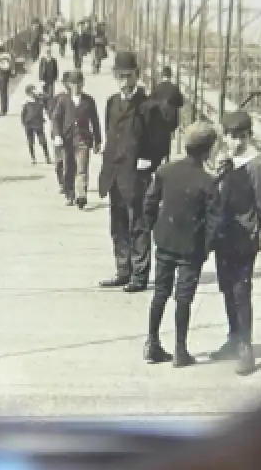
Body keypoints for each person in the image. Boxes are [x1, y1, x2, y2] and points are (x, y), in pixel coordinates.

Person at [143, 121, 220, 367]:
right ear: (208, 150)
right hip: (191, 248)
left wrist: (154, 228)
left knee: (160, 293)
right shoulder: (208, 182)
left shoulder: (165, 171)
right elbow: (214, 221)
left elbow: (149, 204)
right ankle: (180, 350)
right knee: (183, 298)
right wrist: (206, 247)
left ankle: (152, 344)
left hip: (165, 241)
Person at [210, 108, 261, 376]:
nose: (235, 142)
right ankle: (233, 336)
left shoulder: (255, 165)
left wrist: (252, 226)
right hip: (223, 235)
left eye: (241, 136)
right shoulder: (223, 161)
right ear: (223, 136)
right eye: (230, 136)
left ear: (248, 137)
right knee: (226, 287)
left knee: (241, 291)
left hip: (243, 238)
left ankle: (245, 346)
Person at [98, 50, 161, 293]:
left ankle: (139, 275)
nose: (123, 81)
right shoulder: (112, 102)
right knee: (118, 225)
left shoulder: (148, 106)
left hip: (136, 174)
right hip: (114, 174)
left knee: (139, 224)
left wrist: (149, 160)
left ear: (137, 75)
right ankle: (122, 270)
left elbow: (159, 139)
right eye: (119, 77)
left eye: (128, 76)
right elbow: (110, 135)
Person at [52, 69, 102, 209]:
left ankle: (81, 195)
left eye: (79, 84)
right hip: (67, 141)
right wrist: (57, 135)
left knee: (82, 168)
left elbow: (95, 121)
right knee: (68, 168)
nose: (77, 87)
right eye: (74, 84)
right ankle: (70, 193)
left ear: (83, 84)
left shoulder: (88, 101)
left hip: (83, 140)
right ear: (69, 85)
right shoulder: (63, 100)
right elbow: (55, 119)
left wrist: (98, 140)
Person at [149, 65, 185, 163]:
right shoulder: (175, 89)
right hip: (171, 120)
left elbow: (150, 103)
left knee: (159, 139)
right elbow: (181, 104)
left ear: (162, 76)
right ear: (170, 76)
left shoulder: (157, 88)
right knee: (168, 138)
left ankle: (158, 158)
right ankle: (167, 158)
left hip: (159, 120)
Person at [49, 71, 71, 195]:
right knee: (59, 162)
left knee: (69, 161)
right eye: (67, 83)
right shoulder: (58, 98)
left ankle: (68, 184)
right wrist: (56, 133)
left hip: (71, 136)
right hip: (58, 135)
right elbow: (52, 115)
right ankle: (61, 182)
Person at [20, 84, 51, 165]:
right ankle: (33, 158)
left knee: (43, 141)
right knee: (30, 142)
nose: (33, 94)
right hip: (29, 124)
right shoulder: (26, 102)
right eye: (32, 92)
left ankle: (47, 156)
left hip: (38, 123)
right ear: (28, 93)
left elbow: (48, 98)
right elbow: (23, 114)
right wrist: (24, 123)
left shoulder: (40, 100)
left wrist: (41, 93)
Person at [0, 40, 12, 115]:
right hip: (3, 74)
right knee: (3, 92)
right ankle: (3, 110)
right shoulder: (7, 55)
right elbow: (8, 65)